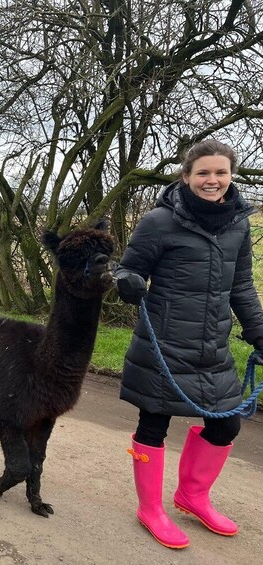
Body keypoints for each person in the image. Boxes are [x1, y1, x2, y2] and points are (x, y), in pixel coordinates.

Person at [115, 139, 263, 549]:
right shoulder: (159, 222)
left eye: (220, 172)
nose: (212, 180)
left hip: (212, 349)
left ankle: (192, 496)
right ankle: (150, 509)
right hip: (163, 346)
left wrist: (259, 333)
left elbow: (243, 288)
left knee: (226, 423)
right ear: (186, 176)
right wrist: (127, 282)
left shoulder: (238, 224)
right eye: (203, 173)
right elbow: (129, 270)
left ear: (230, 175)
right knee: (154, 423)